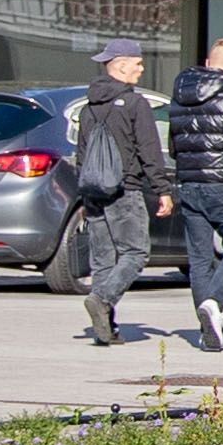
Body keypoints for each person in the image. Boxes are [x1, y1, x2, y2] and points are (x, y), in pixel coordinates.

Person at [164, 36, 223, 354]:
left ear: (208, 62)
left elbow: (174, 145)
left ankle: (209, 330)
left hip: (189, 184)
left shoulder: (179, 94)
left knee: (199, 259)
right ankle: (214, 302)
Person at [63, 46, 166, 346]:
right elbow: (149, 150)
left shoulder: (88, 108)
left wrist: (84, 196)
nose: (141, 69)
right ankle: (102, 298)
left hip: (94, 192)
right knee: (136, 252)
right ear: (120, 66)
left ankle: (104, 330)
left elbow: (81, 156)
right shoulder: (136, 104)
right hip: (125, 189)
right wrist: (162, 189)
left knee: (103, 260)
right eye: (137, 63)